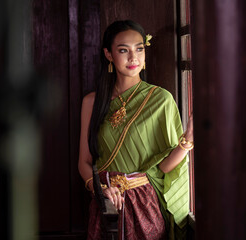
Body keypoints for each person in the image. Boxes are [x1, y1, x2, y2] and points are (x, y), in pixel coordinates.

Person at [78, 20, 193, 240]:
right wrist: (99, 189)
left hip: (144, 205)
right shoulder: (92, 102)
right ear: (109, 54)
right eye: (123, 50)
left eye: (139, 49)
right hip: (106, 204)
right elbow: (84, 161)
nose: (133, 58)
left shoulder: (161, 100)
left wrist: (188, 140)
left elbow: (165, 167)